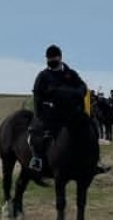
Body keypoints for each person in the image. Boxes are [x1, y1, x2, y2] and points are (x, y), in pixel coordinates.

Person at [28, 44, 89, 173]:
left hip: (71, 113)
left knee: (89, 127)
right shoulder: (43, 76)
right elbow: (37, 96)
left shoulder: (71, 74)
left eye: (53, 58)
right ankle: (37, 159)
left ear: (60, 58)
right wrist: (39, 116)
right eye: (48, 58)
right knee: (37, 134)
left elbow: (82, 87)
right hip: (50, 114)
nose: (50, 61)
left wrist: (72, 92)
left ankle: (93, 160)